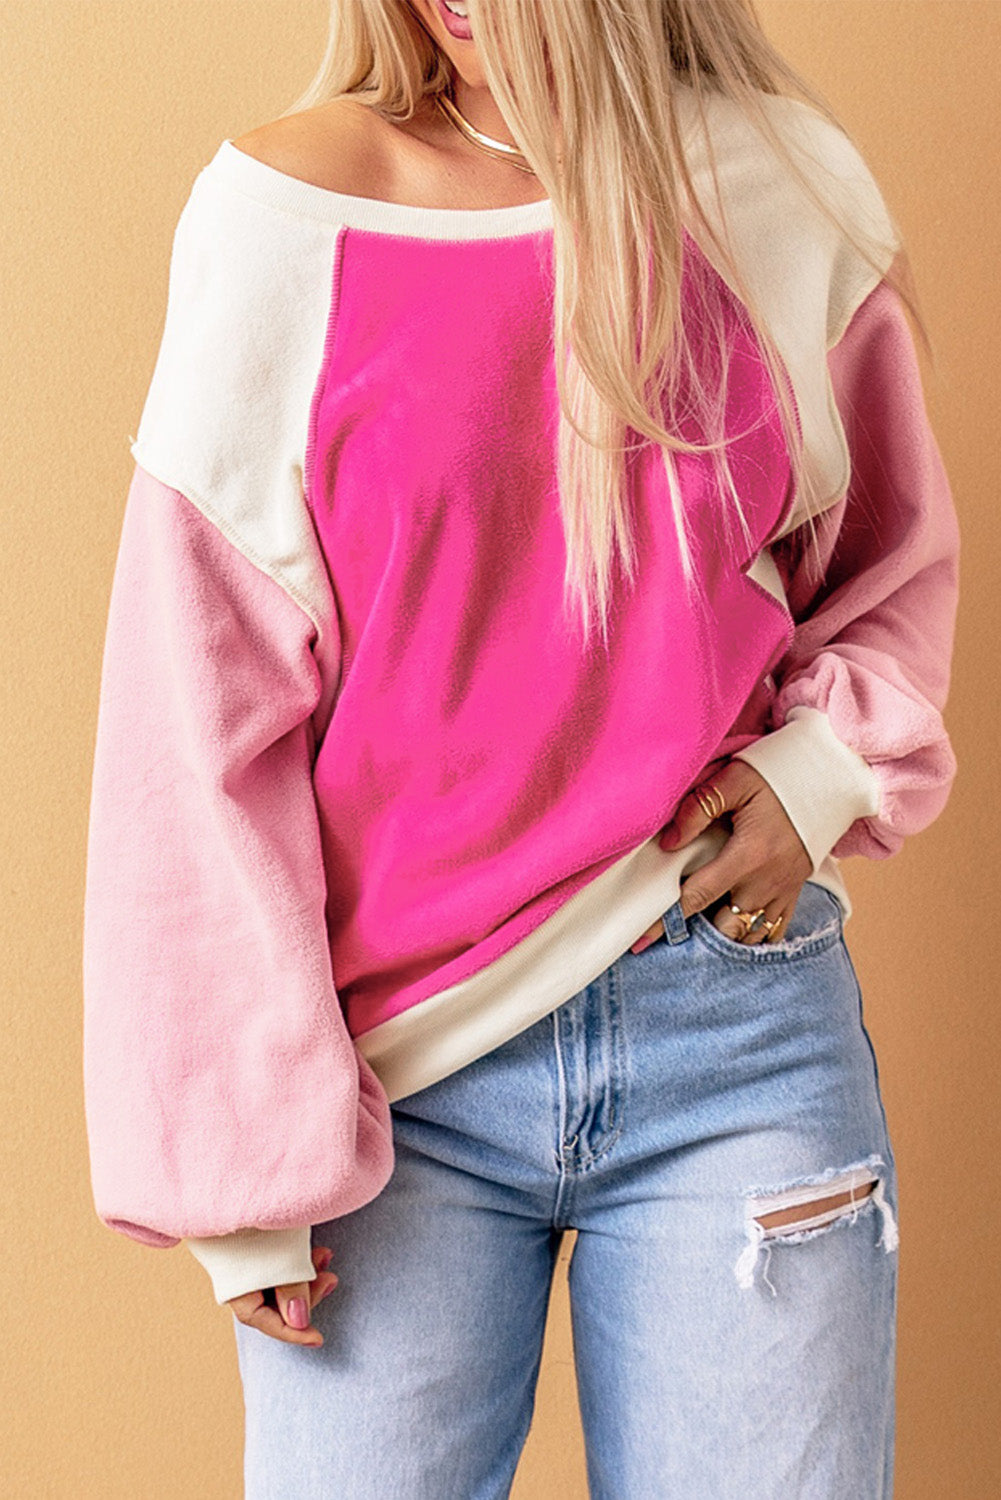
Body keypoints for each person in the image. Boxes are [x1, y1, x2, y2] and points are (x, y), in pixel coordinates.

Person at [82, 0, 960, 1494]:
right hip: (387, 1092)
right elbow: (191, 721)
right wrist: (243, 1173)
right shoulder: (285, 222)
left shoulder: (780, 190)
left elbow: (888, 563)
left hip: (735, 1033)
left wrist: (819, 772)